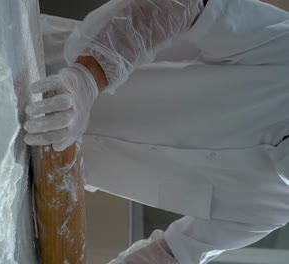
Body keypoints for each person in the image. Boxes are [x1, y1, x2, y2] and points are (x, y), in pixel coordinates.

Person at [24, 0, 289, 263]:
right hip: (36, 70)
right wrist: (86, 79)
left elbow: (168, 255)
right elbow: (183, 5)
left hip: (28, 171)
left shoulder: (270, 211)